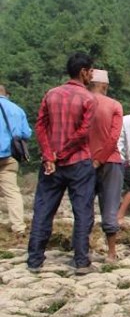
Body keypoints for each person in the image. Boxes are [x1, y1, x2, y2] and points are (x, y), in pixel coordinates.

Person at [27, 52, 97, 274]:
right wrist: (62, 152)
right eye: (91, 71)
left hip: (51, 164)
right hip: (78, 162)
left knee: (43, 210)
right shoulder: (88, 99)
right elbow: (83, 132)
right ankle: (81, 260)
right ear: (83, 72)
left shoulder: (51, 94)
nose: (92, 75)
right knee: (82, 211)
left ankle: (35, 259)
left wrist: (49, 154)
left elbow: (40, 126)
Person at [88, 70, 124, 262]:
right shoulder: (114, 105)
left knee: (84, 207)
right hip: (110, 161)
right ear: (104, 86)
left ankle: (83, 250)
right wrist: (101, 158)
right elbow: (113, 137)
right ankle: (111, 252)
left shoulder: (81, 102)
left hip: (83, 161)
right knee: (110, 207)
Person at [0, 84, 33, 238]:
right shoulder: (17, 110)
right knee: (12, 192)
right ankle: (18, 227)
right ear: (6, 94)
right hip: (9, 156)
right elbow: (26, 133)